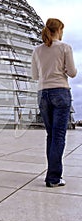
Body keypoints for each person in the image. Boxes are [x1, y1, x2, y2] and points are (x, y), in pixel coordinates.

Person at [31, 18, 77, 187]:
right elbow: (72, 73)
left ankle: (53, 174)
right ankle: (54, 178)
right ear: (59, 30)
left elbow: (35, 76)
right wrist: (62, 68)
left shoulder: (37, 50)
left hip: (42, 94)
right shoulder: (65, 48)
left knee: (51, 135)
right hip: (60, 92)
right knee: (58, 136)